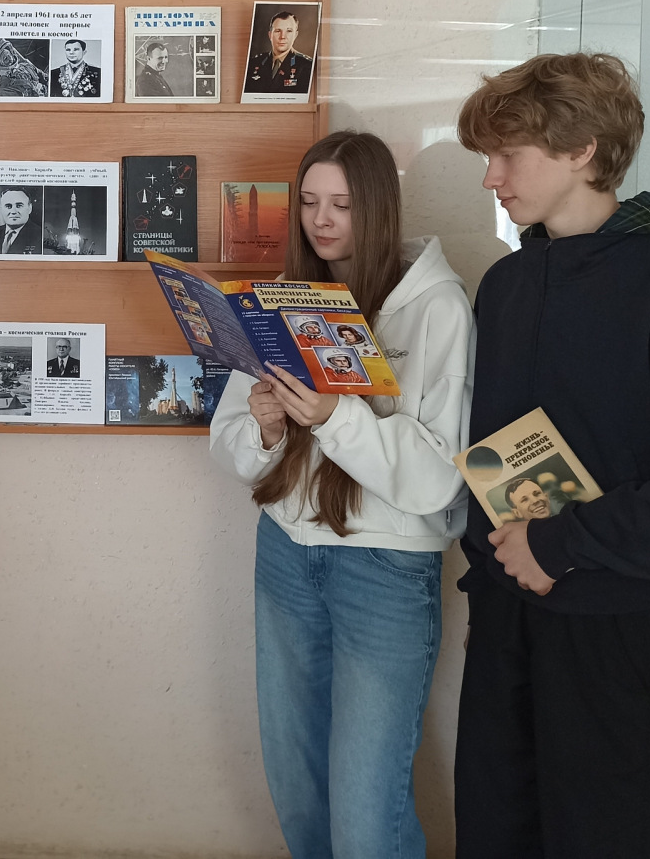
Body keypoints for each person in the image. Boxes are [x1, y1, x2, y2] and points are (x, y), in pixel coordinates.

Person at [452, 51, 650, 859]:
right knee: (496, 833)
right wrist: (496, 570)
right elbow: (491, 455)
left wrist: (562, 543)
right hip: (506, 626)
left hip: (620, 636)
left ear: (581, 148)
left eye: (508, 154)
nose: (491, 177)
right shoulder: (506, 285)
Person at [210, 129, 473, 859]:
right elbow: (229, 445)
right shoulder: (281, 297)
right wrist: (266, 429)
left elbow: (438, 478)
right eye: (308, 202)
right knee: (298, 790)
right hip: (286, 554)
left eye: (343, 205)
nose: (321, 220)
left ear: (379, 207)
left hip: (384, 568)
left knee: (365, 812)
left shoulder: (438, 307)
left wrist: (335, 418)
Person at [244, 10, 314, 94]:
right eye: (277, 31)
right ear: (270, 35)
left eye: (289, 31)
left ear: (295, 35)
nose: (282, 37)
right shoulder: (253, 63)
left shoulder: (307, 66)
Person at [0, 187, 45, 254]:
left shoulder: (41, 236)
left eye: (19, 206)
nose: (13, 211)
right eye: (8, 206)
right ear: (1, 209)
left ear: (30, 208)